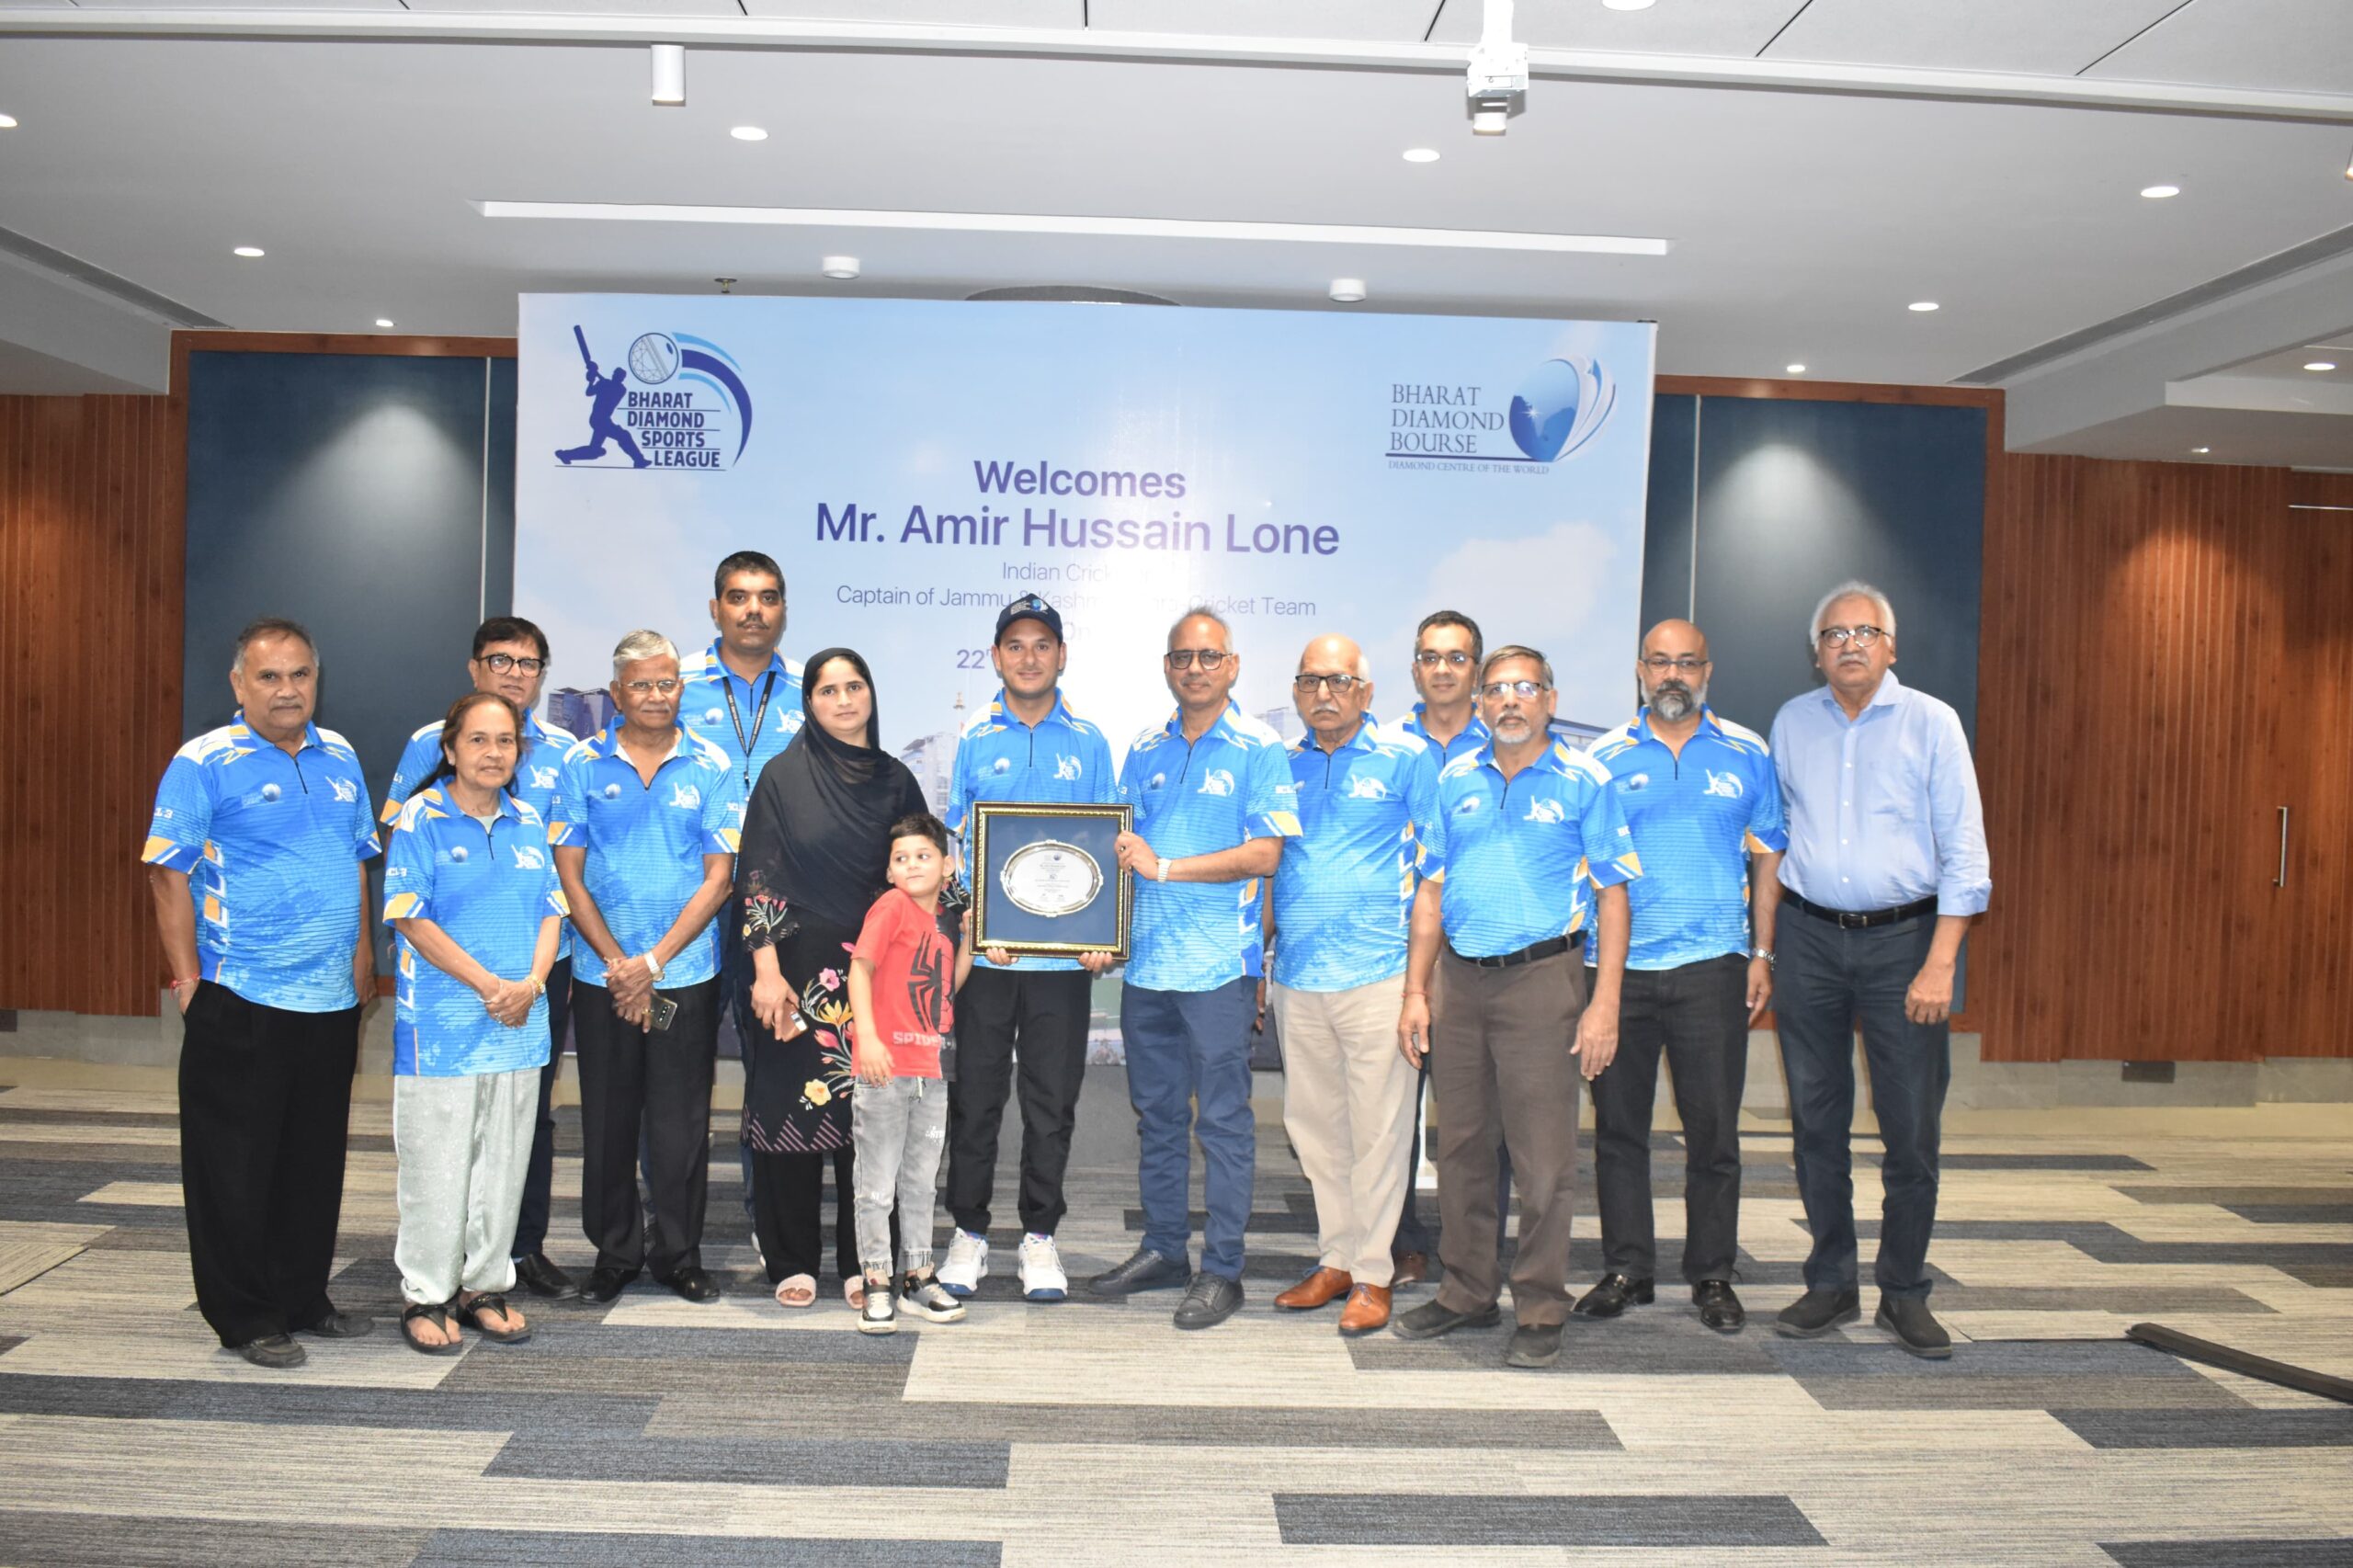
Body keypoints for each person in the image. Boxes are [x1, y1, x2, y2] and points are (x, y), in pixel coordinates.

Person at [141, 617, 380, 1369]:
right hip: (240, 995)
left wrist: (363, 957)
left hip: (329, 1000)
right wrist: (188, 981)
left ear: (317, 680)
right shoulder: (203, 761)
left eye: (300, 675)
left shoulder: (339, 755)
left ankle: (303, 1296)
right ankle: (243, 1315)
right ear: (239, 684)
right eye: (269, 677)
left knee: (312, 1162)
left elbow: (357, 862)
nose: (287, 690)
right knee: (233, 1167)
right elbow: (166, 872)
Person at [1392, 645, 1640, 1369]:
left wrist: (1605, 1005)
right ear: (1480, 701)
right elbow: (1429, 892)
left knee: (1542, 1161)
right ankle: (1468, 1291)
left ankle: (1538, 1304)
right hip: (1460, 984)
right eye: (1496, 689)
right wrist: (1417, 990)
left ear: (1550, 700)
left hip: (1544, 983)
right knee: (1463, 1148)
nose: (1508, 701)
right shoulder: (1453, 780)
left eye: (1524, 688)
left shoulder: (1584, 779)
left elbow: (1614, 896)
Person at [1768, 581, 1990, 1359]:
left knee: (1910, 1129)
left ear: (1890, 647)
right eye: (1834, 635)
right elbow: (1777, 838)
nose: (1850, 645)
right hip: (1809, 941)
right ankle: (1830, 1281)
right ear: (1817, 651)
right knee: (1816, 1122)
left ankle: (1903, 1291)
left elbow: (1965, 852)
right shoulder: (1792, 723)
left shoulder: (1932, 722)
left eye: (1865, 633)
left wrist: (1940, 964)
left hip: (1906, 944)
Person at [1575, 619, 1785, 1334]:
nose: (1673, 675)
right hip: (1618, 971)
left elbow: (1767, 857)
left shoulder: (1748, 752)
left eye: (1686, 664)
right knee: (1619, 1131)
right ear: (1640, 671)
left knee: (1713, 1132)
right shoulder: (1601, 757)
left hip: (1713, 968)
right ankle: (1628, 1269)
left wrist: (1761, 953)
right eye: (1660, 663)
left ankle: (1713, 1276)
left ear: (1707, 671)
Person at [1092, 608, 1299, 1331]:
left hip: (1219, 966)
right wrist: (1104, 936)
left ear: (1233, 666)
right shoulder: (1145, 747)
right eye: (1182, 657)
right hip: (1147, 967)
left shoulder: (1260, 748)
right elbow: (1117, 853)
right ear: (1168, 666)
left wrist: (1167, 867)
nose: (1195, 669)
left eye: (1209, 657)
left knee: (1223, 1123)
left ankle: (1223, 1269)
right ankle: (1163, 1250)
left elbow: (1264, 856)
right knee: (1156, 1118)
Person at [382, 615, 581, 1302]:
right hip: (448, 1000)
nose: (494, 752)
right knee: (440, 1152)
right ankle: (430, 1290)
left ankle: (499, 1271)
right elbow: (408, 902)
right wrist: (492, 983)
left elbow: (554, 903)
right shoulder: (421, 810)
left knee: (513, 1141)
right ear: (452, 746)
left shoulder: (537, 805)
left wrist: (528, 981)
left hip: (527, 992)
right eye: (479, 740)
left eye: (505, 742)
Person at [550, 631, 743, 1305]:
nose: (656, 696)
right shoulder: (581, 764)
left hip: (683, 975)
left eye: (667, 683)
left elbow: (719, 880)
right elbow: (567, 873)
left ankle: (679, 1253)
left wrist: (652, 963)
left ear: (679, 689)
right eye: (642, 685)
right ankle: (615, 1250)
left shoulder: (713, 763)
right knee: (606, 1117)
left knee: (680, 1121)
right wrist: (618, 964)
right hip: (601, 974)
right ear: (617, 692)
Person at [937, 594, 1117, 1303]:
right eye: (1016, 644)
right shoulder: (977, 738)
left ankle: (1041, 1236)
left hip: (1064, 964)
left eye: (1043, 644)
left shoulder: (1091, 741)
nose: (1030, 656)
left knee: (1051, 1102)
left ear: (1061, 656)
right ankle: (970, 1234)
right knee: (976, 1098)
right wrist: (976, 918)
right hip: (990, 959)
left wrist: (1103, 935)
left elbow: (1104, 846)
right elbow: (959, 845)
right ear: (996, 657)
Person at [736, 649, 927, 1311]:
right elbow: (757, 878)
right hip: (795, 977)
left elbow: (920, 870)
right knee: (791, 1111)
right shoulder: (781, 778)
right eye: (827, 690)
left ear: (871, 694)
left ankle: (861, 1257)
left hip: (878, 976)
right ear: (809, 702)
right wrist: (765, 972)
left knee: (870, 1118)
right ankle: (791, 1256)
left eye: (855, 687)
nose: (844, 700)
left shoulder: (898, 780)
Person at [1263, 634, 1439, 1337]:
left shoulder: (1407, 759)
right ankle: (1334, 1258)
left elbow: (1435, 871)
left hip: (1380, 976)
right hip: (1299, 978)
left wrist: (1419, 986)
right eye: (1309, 682)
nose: (1323, 694)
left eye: (1338, 681)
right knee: (1315, 1130)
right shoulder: (1282, 766)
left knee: (1379, 1133)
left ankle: (1373, 1273)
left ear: (1367, 691)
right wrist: (1262, 961)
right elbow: (1271, 867)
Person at [677, 551, 804, 1254]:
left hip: (780, 913)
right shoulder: (679, 688)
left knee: (774, 1069)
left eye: (767, 597)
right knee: (678, 1074)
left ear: (784, 609)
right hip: (692, 907)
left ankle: (768, 1220)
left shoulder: (810, 691)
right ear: (715, 608)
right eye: (738, 597)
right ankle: (673, 1226)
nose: (753, 609)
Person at [1387, 609, 1504, 1285]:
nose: (1441, 669)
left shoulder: (1509, 743)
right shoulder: (1384, 745)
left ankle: (1476, 1248)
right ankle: (1404, 1240)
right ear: (1414, 669)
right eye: (1430, 657)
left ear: (1477, 671)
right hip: (1396, 956)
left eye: (1456, 658)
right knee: (1395, 1113)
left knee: (1479, 1119)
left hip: (1481, 956)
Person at [845, 812, 975, 1333]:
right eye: (901, 858)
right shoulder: (891, 907)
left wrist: (968, 941)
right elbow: (861, 969)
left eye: (923, 856)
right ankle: (877, 1280)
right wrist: (869, 1038)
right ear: (890, 871)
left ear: (947, 866)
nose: (912, 865)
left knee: (921, 1183)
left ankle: (918, 1277)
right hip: (885, 1069)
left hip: (932, 1068)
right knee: (875, 1185)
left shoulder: (940, 925)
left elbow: (947, 989)